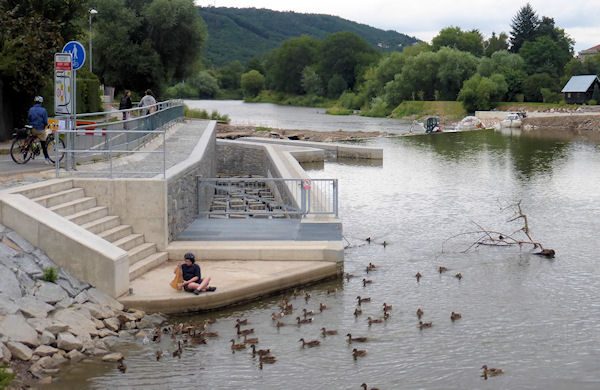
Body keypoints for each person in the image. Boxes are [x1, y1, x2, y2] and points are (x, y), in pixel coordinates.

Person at [27, 96, 51, 164]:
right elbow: (45, 121)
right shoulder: (43, 110)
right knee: (43, 144)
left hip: (32, 129)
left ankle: (32, 148)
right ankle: (46, 159)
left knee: (33, 136)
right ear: (41, 102)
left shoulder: (31, 109)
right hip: (40, 129)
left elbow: (29, 118)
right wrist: (46, 125)